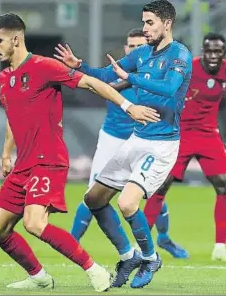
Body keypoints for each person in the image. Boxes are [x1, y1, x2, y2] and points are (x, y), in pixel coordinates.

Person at [0, 13, 160, 292]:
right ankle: (39, 277)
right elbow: (12, 117)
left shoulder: (44, 67)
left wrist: (129, 107)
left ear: (15, 39)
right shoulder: (6, 77)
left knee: (34, 223)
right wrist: (7, 153)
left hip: (48, 160)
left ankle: (93, 269)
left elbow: (91, 83)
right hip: (24, 164)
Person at [55, 0, 192, 288]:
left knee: (127, 203)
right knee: (93, 198)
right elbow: (107, 75)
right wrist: (80, 66)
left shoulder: (180, 54)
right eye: (144, 22)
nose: (145, 28)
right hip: (137, 138)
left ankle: (150, 257)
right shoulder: (142, 53)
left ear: (167, 24)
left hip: (162, 144)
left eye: (150, 22)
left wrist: (131, 77)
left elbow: (169, 88)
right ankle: (128, 255)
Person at [70, 28, 189, 260]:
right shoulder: (118, 76)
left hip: (146, 141)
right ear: (126, 49)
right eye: (130, 46)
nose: (134, 50)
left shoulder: (153, 75)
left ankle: (162, 239)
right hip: (113, 138)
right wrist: (79, 66)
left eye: (139, 46)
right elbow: (99, 83)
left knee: (148, 194)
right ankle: (72, 242)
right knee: (93, 193)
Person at [143, 32, 226, 263]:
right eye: (208, 51)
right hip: (180, 134)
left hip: (209, 134)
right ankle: (142, 246)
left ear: (224, 53)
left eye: (217, 51)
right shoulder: (188, 68)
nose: (212, 55)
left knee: (224, 185)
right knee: (161, 186)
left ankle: (220, 247)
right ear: (203, 50)